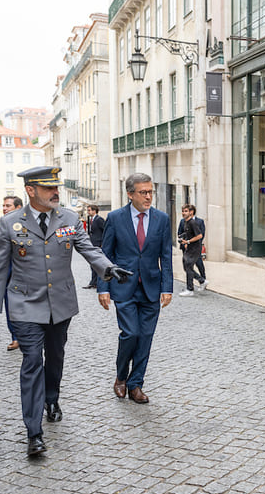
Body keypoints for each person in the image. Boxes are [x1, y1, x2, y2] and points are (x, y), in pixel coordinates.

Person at [0, 167, 130, 458]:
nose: (55, 192)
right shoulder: (10, 224)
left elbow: (89, 250)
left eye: (56, 187)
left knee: (56, 357)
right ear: (31, 191)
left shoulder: (70, 219)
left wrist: (108, 269)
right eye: (48, 188)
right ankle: (33, 432)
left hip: (60, 305)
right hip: (25, 305)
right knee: (32, 361)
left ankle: (52, 398)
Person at [99, 173, 173, 406]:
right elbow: (106, 256)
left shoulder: (161, 219)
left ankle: (136, 384)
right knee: (131, 333)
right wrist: (103, 287)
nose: (149, 196)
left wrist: (167, 287)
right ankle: (121, 376)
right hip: (124, 286)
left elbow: (166, 256)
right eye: (143, 192)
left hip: (151, 287)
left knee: (146, 337)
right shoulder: (115, 218)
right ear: (130, 194)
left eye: (151, 192)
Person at [0, 195, 23, 351]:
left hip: (26, 273)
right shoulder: (1, 226)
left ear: (18, 207)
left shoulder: (28, 224)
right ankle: (16, 337)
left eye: (8, 206)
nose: (4, 208)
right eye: (3, 205)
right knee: (11, 307)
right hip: (8, 273)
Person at [176, 204, 206, 296]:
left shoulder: (193, 223)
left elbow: (200, 235)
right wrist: (183, 241)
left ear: (191, 212)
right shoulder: (185, 222)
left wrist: (188, 241)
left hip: (194, 248)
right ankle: (201, 280)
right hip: (187, 248)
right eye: (183, 211)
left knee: (189, 267)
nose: (184, 213)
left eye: (186, 211)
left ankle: (190, 289)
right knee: (186, 267)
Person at [84, 205, 106, 289]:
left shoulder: (99, 220)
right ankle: (93, 282)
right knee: (92, 264)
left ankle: (96, 282)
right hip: (92, 244)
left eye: (89, 210)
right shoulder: (90, 220)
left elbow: (105, 231)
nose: (88, 212)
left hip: (98, 244)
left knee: (97, 263)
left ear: (94, 211)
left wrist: (102, 243)